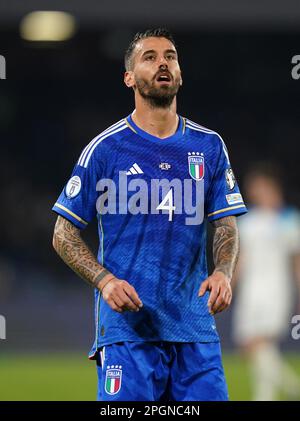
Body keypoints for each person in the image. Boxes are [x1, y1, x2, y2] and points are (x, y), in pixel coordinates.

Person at [52, 28, 247, 401]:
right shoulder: (105, 150)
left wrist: (223, 272)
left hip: (194, 328)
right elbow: (63, 233)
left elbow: (224, 221)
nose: (163, 63)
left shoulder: (208, 145)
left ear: (180, 74)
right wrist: (105, 281)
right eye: (150, 56)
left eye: (170, 56)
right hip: (129, 331)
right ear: (129, 78)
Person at [232, 163, 300, 400]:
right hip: (251, 290)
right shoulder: (248, 221)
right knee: (250, 346)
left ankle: (274, 394)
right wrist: (230, 284)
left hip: (276, 289)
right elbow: (241, 258)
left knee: (258, 341)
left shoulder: (288, 219)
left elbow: (296, 260)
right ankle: (281, 391)